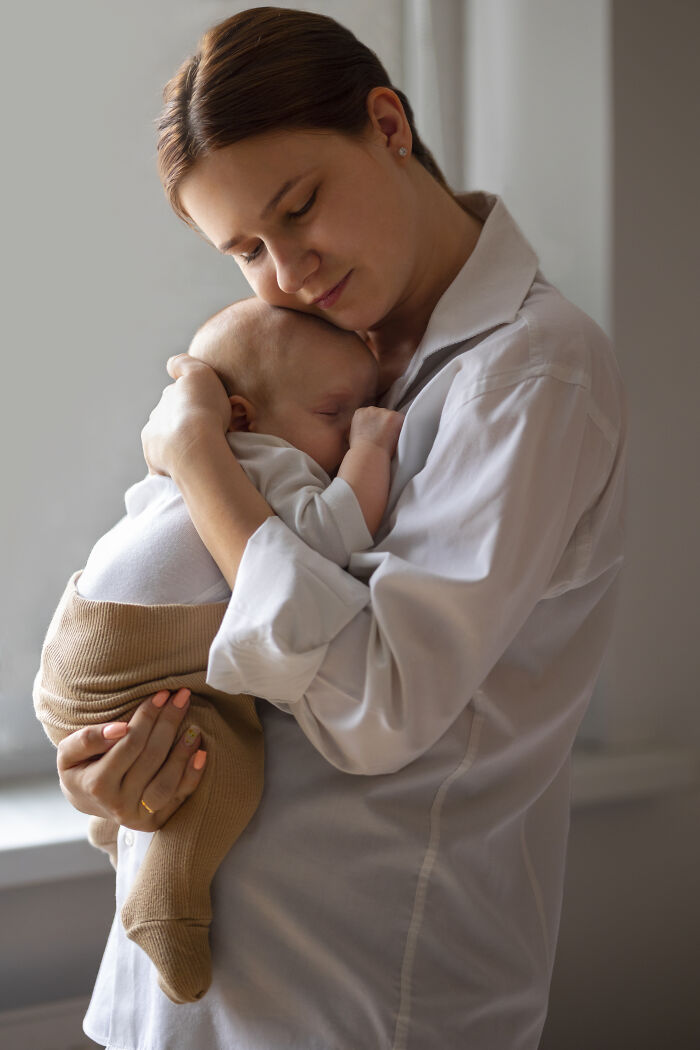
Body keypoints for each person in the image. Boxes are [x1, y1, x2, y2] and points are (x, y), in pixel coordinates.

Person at [53, 8, 626, 1050]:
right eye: (246, 251)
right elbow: (211, 643)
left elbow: (379, 704)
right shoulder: (295, 358)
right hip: (174, 997)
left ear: (388, 125)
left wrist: (199, 463)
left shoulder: (530, 373)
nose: (288, 269)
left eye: (300, 206)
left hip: (362, 991)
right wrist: (122, 779)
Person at [34, 296, 401, 1004]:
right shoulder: (269, 462)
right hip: (144, 653)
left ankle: (116, 837)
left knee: (161, 755)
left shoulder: (189, 462)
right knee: (223, 764)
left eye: (363, 410)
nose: (351, 424)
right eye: (335, 414)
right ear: (242, 416)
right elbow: (329, 543)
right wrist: (373, 450)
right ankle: (163, 904)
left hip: (77, 649)